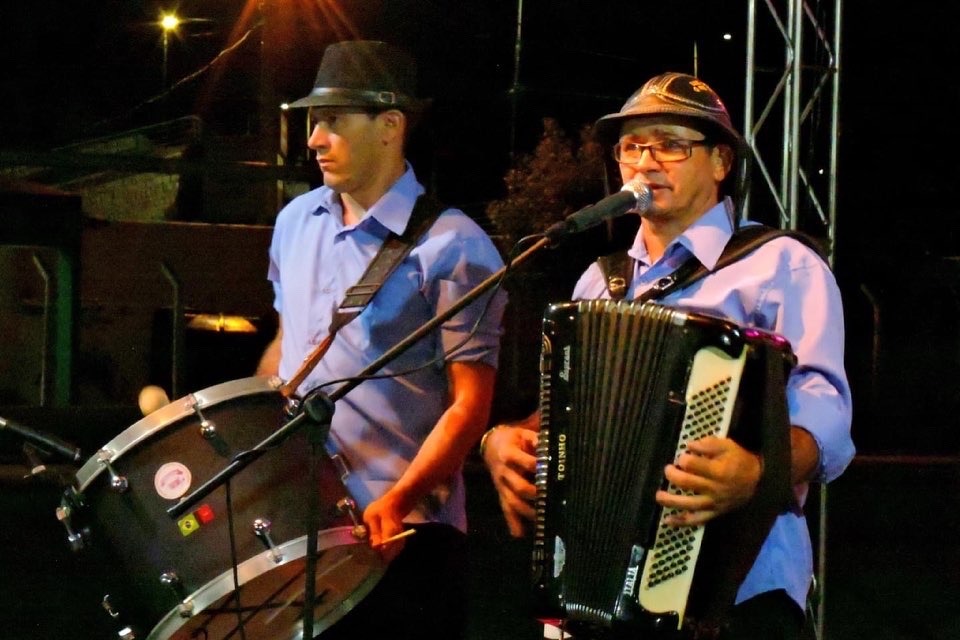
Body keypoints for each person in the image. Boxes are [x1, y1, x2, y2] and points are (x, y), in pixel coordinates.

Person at [480, 72, 854, 640]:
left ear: (721, 162)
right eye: (631, 146)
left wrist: (757, 472)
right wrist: (503, 440)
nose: (645, 162)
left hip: (741, 592)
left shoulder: (779, 265)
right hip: (599, 595)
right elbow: (570, 412)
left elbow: (825, 412)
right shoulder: (599, 283)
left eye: (670, 144)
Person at [257, 39, 507, 638]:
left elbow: (471, 405)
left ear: (391, 126)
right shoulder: (294, 222)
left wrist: (398, 499)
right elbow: (287, 348)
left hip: (407, 538)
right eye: (314, 122)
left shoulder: (454, 245)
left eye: (333, 121)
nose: (315, 139)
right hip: (302, 525)